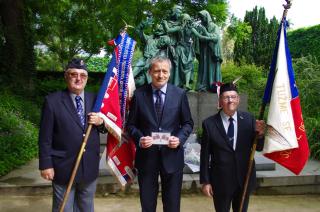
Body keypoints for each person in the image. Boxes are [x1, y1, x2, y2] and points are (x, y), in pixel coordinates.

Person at [127, 56, 194, 212]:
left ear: (169, 73)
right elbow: (130, 125)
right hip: (146, 159)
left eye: (164, 71)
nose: (160, 75)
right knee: (148, 206)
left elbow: (188, 123)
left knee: (172, 206)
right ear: (150, 72)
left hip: (172, 157)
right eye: (157, 71)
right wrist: (139, 138)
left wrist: (180, 138)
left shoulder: (180, 94)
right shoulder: (139, 95)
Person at [38, 58, 106, 212]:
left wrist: (100, 122)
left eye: (83, 75)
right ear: (66, 76)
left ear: (87, 79)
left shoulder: (95, 99)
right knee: (64, 208)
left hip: (89, 165)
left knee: (86, 207)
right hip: (63, 166)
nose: (78, 78)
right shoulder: (52, 101)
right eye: (74, 74)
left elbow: (105, 129)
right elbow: (45, 137)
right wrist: (46, 165)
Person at [200, 82, 265, 212]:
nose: (230, 100)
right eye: (226, 97)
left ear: (238, 99)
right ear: (220, 101)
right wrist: (206, 181)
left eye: (233, 97)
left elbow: (258, 147)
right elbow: (205, 155)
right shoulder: (209, 124)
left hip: (244, 179)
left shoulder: (249, 119)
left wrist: (261, 134)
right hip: (221, 181)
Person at [195, 10, 223, 92]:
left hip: (212, 52)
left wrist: (205, 33)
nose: (202, 19)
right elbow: (198, 38)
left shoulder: (214, 26)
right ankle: (203, 85)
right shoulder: (201, 27)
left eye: (202, 17)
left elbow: (216, 38)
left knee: (212, 69)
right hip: (204, 51)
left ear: (207, 17)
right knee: (204, 68)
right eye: (200, 18)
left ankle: (213, 86)